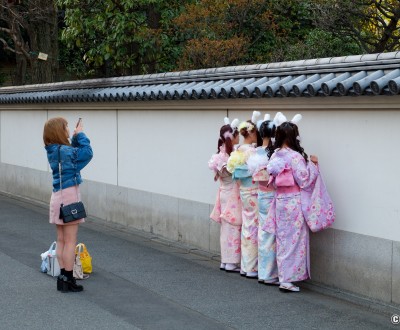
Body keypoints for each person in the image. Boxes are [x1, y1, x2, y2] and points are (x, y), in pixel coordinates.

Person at [263, 114, 319, 292]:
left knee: (283, 239)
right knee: (294, 240)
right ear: (294, 136)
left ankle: (283, 276)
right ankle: (287, 279)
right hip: (293, 202)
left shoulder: (275, 155)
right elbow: (304, 180)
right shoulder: (295, 157)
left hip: (280, 201)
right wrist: (314, 165)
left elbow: (271, 178)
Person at [43, 117, 93, 292]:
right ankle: (68, 278)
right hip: (69, 196)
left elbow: (72, 154)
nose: (67, 129)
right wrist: (80, 135)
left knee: (61, 240)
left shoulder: (53, 150)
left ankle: (63, 278)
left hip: (57, 196)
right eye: (65, 127)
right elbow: (87, 153)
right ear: (59, 130)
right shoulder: (66, 152)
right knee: (71, 240)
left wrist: (75, 138)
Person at [227, 111, 261, 278]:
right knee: (254, 228)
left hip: (243, 190)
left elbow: (234, 170)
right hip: (253, 190)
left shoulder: (237, 150)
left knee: (247, 227)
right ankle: (251, 268)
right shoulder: (252, 152)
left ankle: (245, 266)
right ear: (252, 132)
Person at [247, 113, 279, 285]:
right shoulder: (272, 155)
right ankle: (268, 274)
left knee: (262, 232)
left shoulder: (255, 153)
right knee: (270, 234)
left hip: (260, 194)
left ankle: (262, 272)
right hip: (271, 195)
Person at [209, 117, 242, 272]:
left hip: (223, 192)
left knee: (225, 228)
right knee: (233, 227)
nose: (239, 137)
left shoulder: (219, 154)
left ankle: (225, 260)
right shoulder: (231, 156)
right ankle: (231, 262)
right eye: (237, 135)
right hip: (231, 194)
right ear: (232, 137)